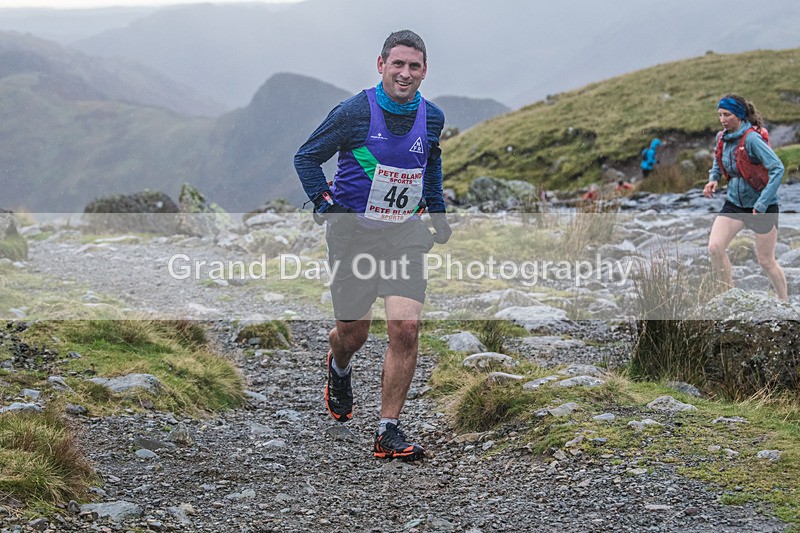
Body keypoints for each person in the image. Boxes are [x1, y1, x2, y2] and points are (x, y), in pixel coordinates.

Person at [294, 30, 451, 461]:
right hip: (354, 235)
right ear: (381, 65)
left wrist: (437, 213)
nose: (405, 73)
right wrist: (326, 205)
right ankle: (339, 364)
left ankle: (388, 430)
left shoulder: (432, 117)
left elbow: (431, 162)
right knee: (353, 334)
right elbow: (306, 157)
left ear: (425, 71)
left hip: (405, 234)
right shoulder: (353, 112)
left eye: (414, 66)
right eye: (397, 64)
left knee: (406, 328)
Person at [703, 94, 787, 301]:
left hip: (762, 207)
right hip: (735, 203)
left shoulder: (752, 139)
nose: (722, 119)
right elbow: (718, 158)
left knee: (766, 261)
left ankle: (785, 303)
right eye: (720, 115)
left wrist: (762, 202)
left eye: (727, 115)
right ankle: (730, 297)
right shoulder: (721, 137)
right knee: (715, 248)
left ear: (739, 115)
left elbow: (777, 168)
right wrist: (713, 179)